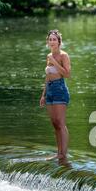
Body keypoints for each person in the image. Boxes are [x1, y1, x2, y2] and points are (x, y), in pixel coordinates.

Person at [40, 29, 71, 165]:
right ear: (48, 42)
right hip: (50, 91)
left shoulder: (63, 56)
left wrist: (54, 61)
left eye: (54, 39)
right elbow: (47, 76)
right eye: (50, 39)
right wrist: (43, 95)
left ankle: (63, 155)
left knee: (61, 123)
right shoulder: (48, 55)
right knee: (54, 124)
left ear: (59, 42)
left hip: (60, 89)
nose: (52, 41)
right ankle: (58, 153)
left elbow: (67, 74)